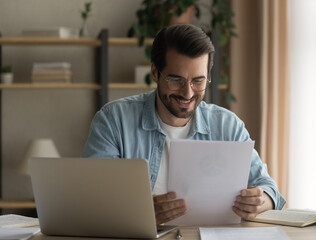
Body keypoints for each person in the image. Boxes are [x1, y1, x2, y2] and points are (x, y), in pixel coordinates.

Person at [82, 24, 285, 225]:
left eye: (198, 81)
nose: (187, 93)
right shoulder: (113, 120)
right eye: (176, 80)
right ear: (155, 71)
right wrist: (140, 211)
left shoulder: (227, 125)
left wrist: (261, 200)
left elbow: (268, 188)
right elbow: (90, 198)